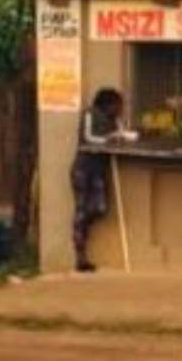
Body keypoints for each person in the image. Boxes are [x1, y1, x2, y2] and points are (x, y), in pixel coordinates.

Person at [71, 87, 130, 272]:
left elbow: (121, 135)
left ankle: (82, 227)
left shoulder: (113, 121)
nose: (120, 109)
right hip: (83, 168)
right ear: (108, 104)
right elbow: (87, 138)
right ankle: (80, 255)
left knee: (100, 207)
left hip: (98, 170)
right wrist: (108, 139)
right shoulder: (89, 114)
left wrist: (119, 132)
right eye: (117, 106)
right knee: (81, 209)